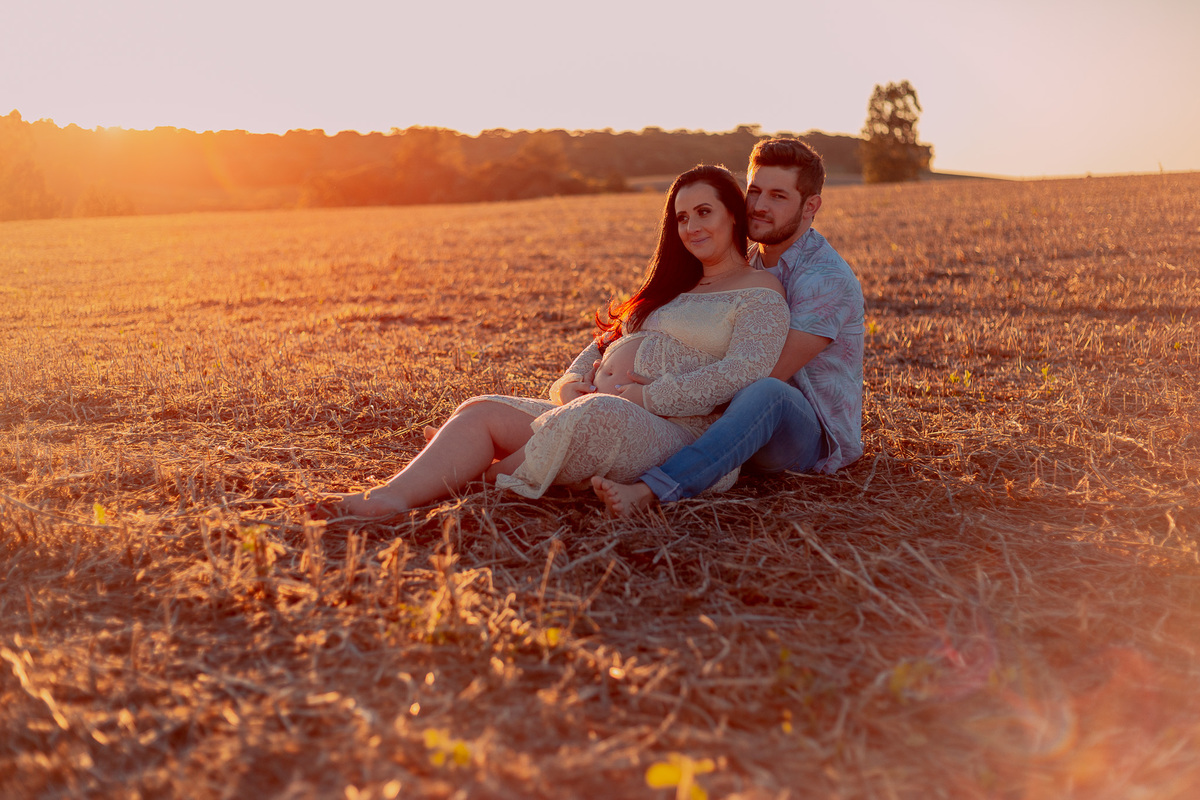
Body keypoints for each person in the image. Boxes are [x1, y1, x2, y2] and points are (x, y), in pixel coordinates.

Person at [319, 165, 790, 519]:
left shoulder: (760, 293)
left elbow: (743, 373)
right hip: (597, 413)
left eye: (704, 212)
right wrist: (569, 383)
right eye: (682, 217)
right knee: (479, 409)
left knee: (595, 416)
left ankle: (460, 475)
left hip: (681, 433)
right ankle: (391, 495)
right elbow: (603, 346)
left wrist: (646, 395)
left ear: (733, 213)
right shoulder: (670, 287)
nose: (691, 227)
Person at [592, 138, 864, 516]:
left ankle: (654, 490)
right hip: (724, 422)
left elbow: (761, 375)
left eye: (778, 196)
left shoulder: (825, 278)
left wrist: (662, 390)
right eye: (754, 191)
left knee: (767, 392)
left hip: (802, 436)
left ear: (811, 206)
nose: (760, 206)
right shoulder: (744, 262)